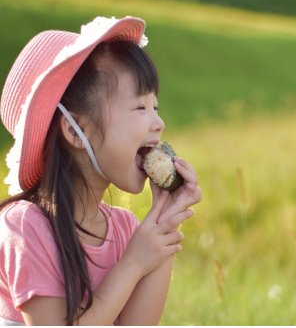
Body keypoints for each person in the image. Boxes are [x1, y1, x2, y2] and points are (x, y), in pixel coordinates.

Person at [0, 16, 202, 325]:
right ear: (76, 130)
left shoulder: (123, 228)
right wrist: (134, 262)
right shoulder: (25, 227)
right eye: (140, 108)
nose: (158, 123)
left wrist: (164, 222)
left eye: (155, 108)